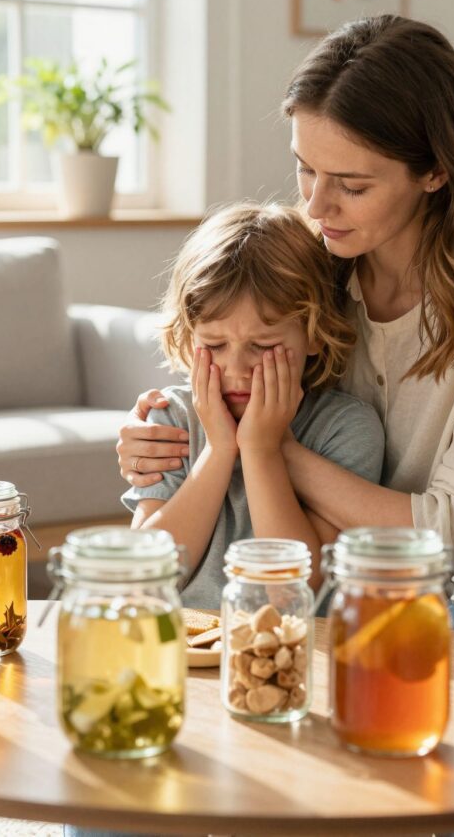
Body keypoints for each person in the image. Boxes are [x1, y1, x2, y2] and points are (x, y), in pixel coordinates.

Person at [117, 16, 454, 837]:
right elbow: (216, 364)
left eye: (351, 182)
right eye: (305, 170)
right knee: (121, 752)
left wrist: (265, 447)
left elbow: (452, 540)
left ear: (436, 171)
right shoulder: (311, 270)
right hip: (322, 607)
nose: (315, 205)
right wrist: (166, 441)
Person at [122, 202, 384, 606]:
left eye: (263, 346)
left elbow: (294, 591)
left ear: (315, 335)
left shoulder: (346, 428)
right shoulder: (172, 419)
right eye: (214, 345)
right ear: (190, 336)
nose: (236, 368)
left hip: (287, 646)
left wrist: (263, 449)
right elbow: (143, 577)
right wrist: (219, 449)